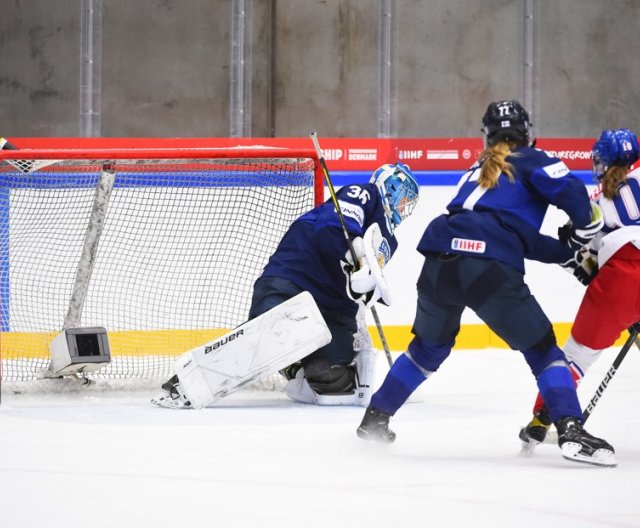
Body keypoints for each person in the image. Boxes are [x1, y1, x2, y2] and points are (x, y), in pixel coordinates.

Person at [355, 99, 617, 467]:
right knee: (544, 352)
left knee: (426, 350)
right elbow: (572, 195)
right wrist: (583, 233)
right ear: (527, 132)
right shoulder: (532, 159)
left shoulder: (478, 170)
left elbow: (511, 233)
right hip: (488, 270)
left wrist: (563, 251)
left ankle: (376, 418)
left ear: (486, 135)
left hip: (438, 264)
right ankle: (571, 427)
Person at [154, 162, 420, 407]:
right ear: (391, 186)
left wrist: (367, 291)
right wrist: (354, 258)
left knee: (333, 379)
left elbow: (363, 282)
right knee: (270, 334)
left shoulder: (390, 241)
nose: (404, 206)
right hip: (295, 280)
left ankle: (295, 367)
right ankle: (187, 381)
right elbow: (330, 228)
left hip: (334, 311)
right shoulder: (364, 193)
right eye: (404, 197)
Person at [519, 128, 640, 450]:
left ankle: (541, 419)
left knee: (576, 358)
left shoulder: (597, 199)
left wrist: (581, 261)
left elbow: (586, 258)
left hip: (621, 280)